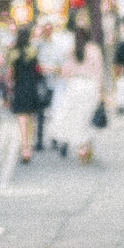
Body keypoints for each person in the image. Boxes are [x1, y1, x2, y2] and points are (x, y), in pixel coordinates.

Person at [46, 24, 104, 160]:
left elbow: (65, 72)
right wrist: (102, 92)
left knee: (77, 118)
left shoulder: (72, 50)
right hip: (91, 86)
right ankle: (85, 147)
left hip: (75, 85)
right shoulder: (94, 50)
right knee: (87, 118)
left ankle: (83, 148)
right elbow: (99, 72)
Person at [8, 27, 46, 158]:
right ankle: (28, 145)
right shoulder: (33, 51)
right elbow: (38, 70)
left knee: (22, 119)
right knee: (31, 118)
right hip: (31, 87)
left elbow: (10, 71)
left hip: (19, 87)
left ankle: (24, 147)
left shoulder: (13, 52)